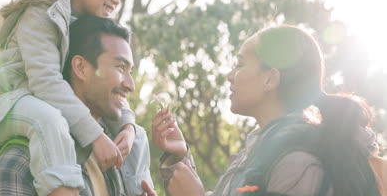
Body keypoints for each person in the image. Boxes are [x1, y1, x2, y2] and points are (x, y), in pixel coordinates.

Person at [0, 0, 139, 196]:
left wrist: (127, 126)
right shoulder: (41, 11)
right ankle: (63, 190)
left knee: (136, 134)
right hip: (11, 102)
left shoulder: (86, 25)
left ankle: (138, 189)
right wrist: (96, 137)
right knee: (50, 121)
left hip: (48, 103)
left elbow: (110, 83)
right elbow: (46, 82)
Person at [150, 25, 380, 196]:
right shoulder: (265, 149)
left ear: (270, 79)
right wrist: (179, 156)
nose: (229, 75)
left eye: (239, 64)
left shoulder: (298, 160)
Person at [0, 16, 155, 196]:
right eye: (120, 67)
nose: (130, 85)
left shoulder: (115, 155)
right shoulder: (18, 165)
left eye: (130, 71)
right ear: (80, 68)